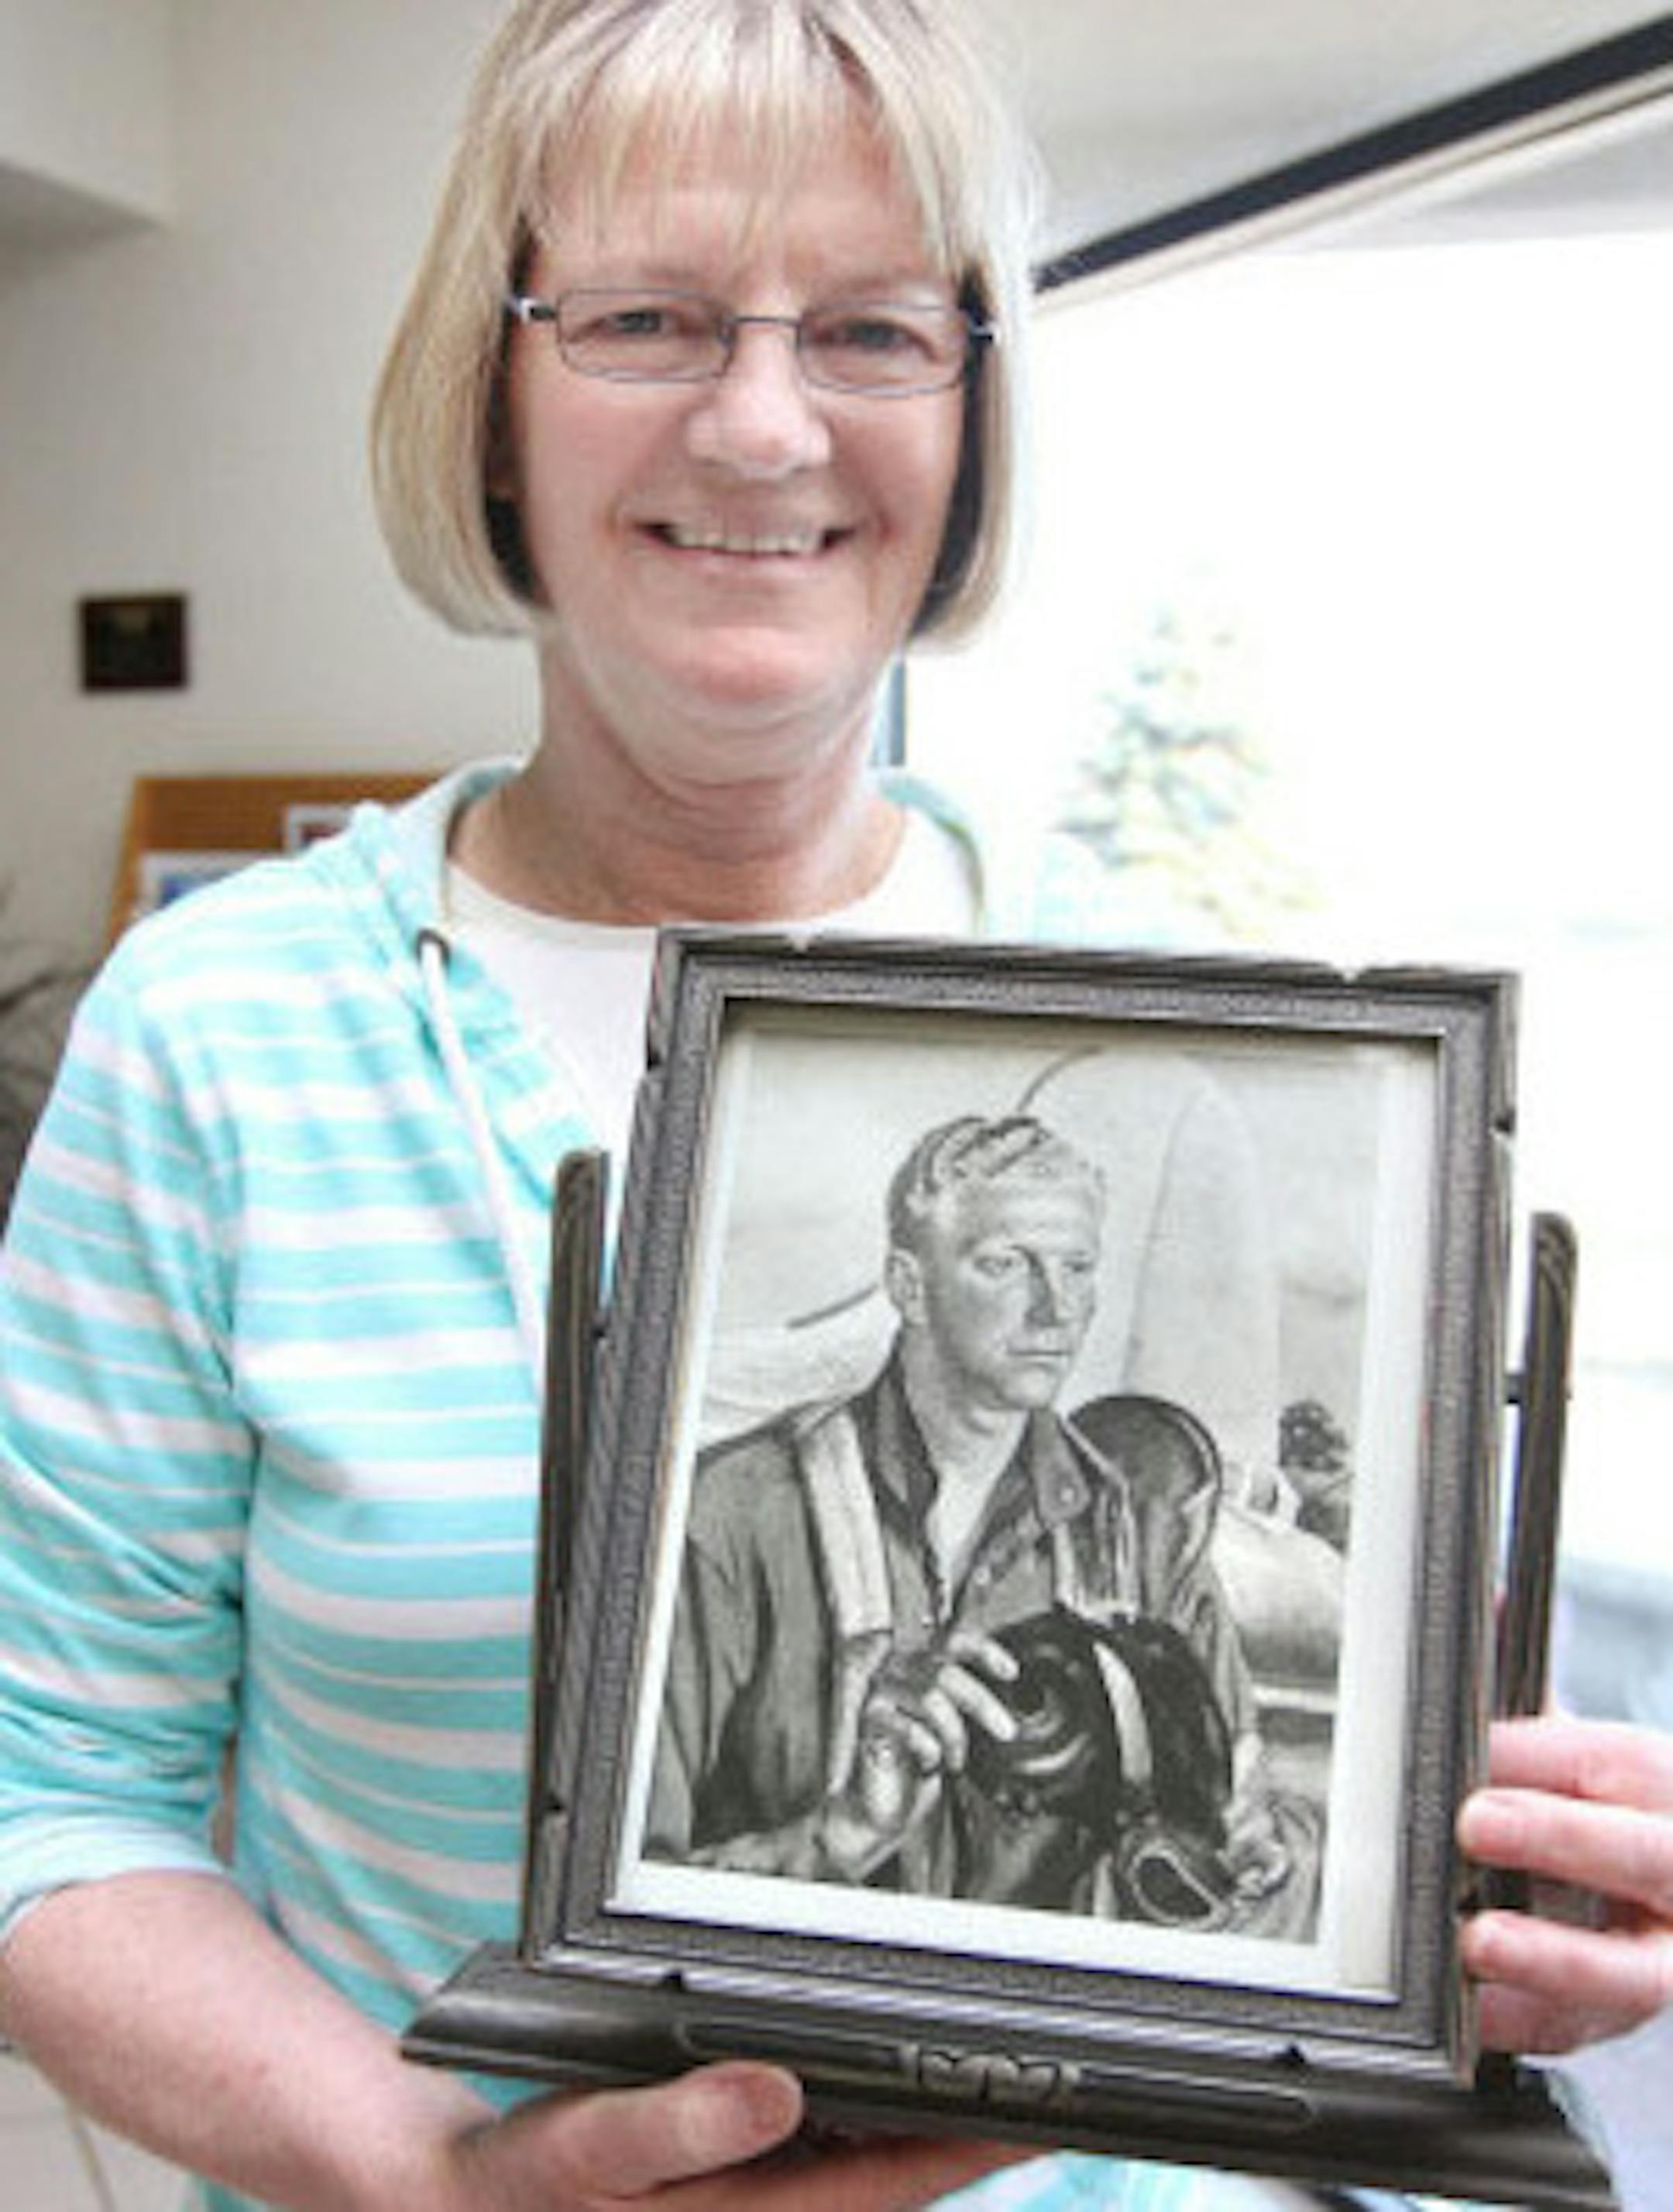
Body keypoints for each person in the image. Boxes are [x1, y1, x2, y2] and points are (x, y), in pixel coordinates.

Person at [0, 4, 1668, 2211]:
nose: (764, 421)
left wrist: (1497, 1897)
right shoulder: (220, 1037)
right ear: (489, 402)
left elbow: (1331, 1829)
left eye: (875, 329)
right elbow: (51, 1789)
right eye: (646, 315)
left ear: (973, 424)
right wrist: (429, 2182)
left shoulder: (1200, 1025)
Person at [650, 1109, 1312, 1931]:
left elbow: (1241, 1831)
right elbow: (629, 1898)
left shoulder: (1134, 1537)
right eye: (1006, 1265)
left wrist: (1248, 1853)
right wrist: (844, 1834)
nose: (1056, 1310)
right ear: (908, 1286)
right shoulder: (738, 1513)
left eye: (1078, 1268)